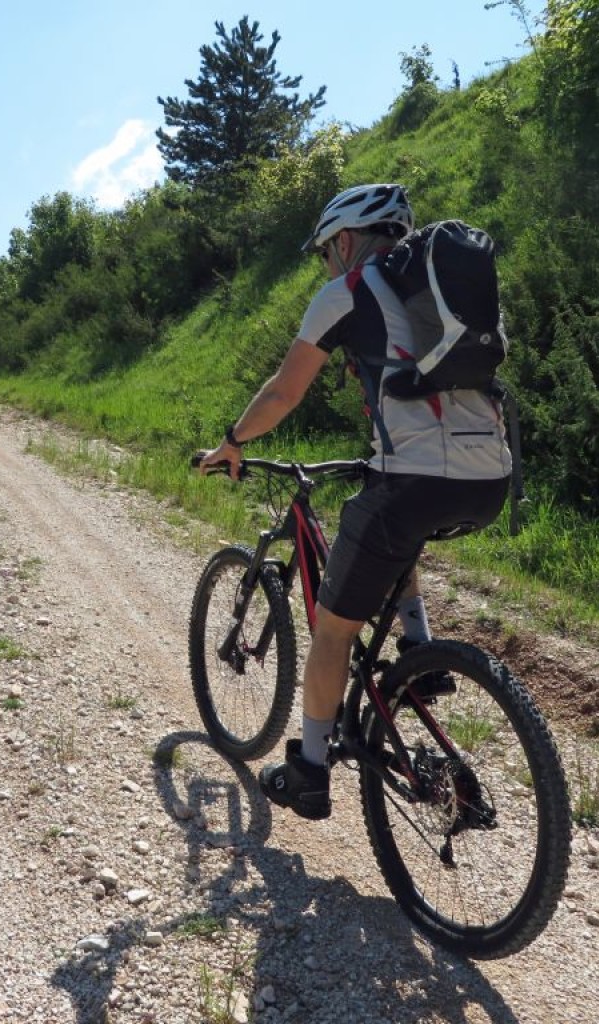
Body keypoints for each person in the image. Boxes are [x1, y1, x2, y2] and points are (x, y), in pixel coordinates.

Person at [198, 183, 512, 820]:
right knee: (390, 518)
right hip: (492, 477)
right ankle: (422, 658)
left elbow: (284, 393)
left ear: (344, 240)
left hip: (418, 478)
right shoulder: (439, 295)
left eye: (324, 253)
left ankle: (311, 771)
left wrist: (232, 442)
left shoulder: (347, 291)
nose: (326, 265)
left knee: (334, 630)